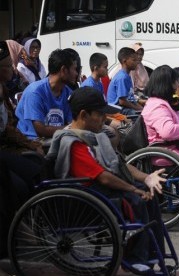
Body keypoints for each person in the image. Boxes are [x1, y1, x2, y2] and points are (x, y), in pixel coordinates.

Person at [46, 86, 168, 270]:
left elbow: (118, 164)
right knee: (136, 200)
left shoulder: (96, 137)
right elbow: (103, 177)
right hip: (87, 197)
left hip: (102, 190)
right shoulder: (72, 142)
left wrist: (146, 178)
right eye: (100, 114)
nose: (105, 118)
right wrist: (133, 188)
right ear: (84, 115)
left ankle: (152, 252)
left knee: (149, 194)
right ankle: (136, 259)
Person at [0, 40, 43, 259]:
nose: (12, 69)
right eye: (7, 66)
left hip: (6, 145)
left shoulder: (4, 91)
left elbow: (8, 129)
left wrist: (30, 145)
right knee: (17, 182)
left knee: (37, 166)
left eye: (10, 64)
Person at [15, 48, 77, 142]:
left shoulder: (68, 92)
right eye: (74, 69)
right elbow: (40, 130)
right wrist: (72, 129)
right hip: (33, 142)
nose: (76, 73)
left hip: (56, 139)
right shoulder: (35, 92)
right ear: (64, 70)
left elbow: (70, 122)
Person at [107, 47, 144, 115]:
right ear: (124, 61)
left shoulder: (126, 75)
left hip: (124, 107)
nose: (137, 62)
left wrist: (142, 109)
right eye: (134, 60)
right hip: (117, 109)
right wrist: (139, 109)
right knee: (137, 115)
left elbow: (131, 99)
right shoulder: (122, 77)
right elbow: (122, 102)